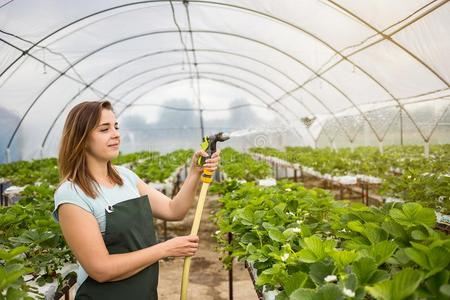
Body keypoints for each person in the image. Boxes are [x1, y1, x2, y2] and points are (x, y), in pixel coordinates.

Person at [52, 100, 220, 300]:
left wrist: (194, 173)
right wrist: (165, 248)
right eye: (104, 129)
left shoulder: (125, 177)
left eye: (116, 127)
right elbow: (100, 269)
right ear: (81, 138)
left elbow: (174, 210)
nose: (115, 134)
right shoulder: (72, 194)